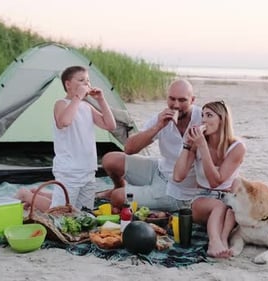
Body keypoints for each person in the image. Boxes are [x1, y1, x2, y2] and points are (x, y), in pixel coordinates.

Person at [16, 65, 116, 211]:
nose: (86, 84)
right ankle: (26, 195)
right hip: (69, 170)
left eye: (87, 81)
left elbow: (110, 125)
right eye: (81, 80)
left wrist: (101, 99)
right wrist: (77, 97)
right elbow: (64, 122)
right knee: (60, 211)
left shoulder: (86, 107)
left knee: (83, 212)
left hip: (88, 169)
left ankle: (39, 195)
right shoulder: (61, 104)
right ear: (68, 84)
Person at [99, 79, 202, 212]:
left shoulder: (202, 119)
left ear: (192, 100)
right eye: (172, 99)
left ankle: (122, 193)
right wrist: (158, 126)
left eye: (182, 100)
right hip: (159, 169)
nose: (176, 105)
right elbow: (129, 149)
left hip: (176, 191)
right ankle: (120, 187)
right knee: (110, 160)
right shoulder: (161, 118)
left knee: (117, 197)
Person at [173, 100, 246, 258]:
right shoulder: (199, 144)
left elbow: (218, 180)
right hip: (203, 198)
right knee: (219, 206)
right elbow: (178, 176)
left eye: (209, 115)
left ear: (222, 120)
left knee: (236, 192)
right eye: (202, 115)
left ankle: (223, 240)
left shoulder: (237, 147)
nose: (203, 120)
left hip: (227, 198)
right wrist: (187, 145)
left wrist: (201, 146)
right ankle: (214, 242)